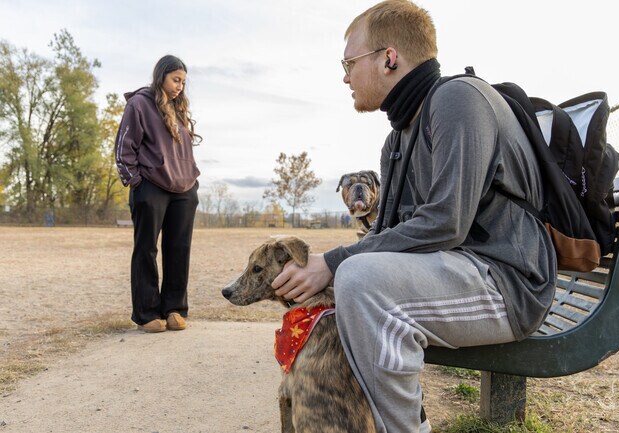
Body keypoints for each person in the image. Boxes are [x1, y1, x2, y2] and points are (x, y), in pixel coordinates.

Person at [271, 1, 557, 432]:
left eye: (349, 62)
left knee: (360, 280)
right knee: (350, 278)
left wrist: (334, 264)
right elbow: (385, 234)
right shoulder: (398, 137)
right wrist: (320, 269)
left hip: (509, 281)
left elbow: (447, 221)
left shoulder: (459, 99)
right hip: (461, 273)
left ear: (388, 58)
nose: (345, 77)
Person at [115, 55, 201, 333]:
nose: (179, 86)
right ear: (161, 75)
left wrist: (193, 180)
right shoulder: (139, 104)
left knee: (179, 250)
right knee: (146, 250)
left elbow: (183, 150)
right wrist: (136, 182)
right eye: (176, 80)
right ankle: (147, 313)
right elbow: (123, 147)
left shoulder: (179, 109)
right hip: (150, 186)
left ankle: (174, 309)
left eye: (183, 82)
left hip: (184, 190)